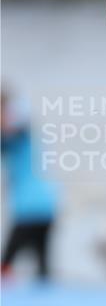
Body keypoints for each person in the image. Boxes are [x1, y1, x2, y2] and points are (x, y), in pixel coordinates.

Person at [1, 89, 58, 280]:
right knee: (42, 268)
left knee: (7, 264)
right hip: (44, 205)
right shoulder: (9, 140)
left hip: (31, 208)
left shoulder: (20, 128)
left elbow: (18, 123)